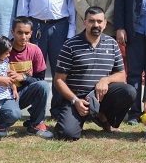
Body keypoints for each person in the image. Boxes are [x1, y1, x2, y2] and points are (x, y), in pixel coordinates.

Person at [51, 7, 136, 140]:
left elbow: (121, 75)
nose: (96, 25)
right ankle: (77, 118)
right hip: (77, 98)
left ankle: (104, 117)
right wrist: (75, 100)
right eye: (91, 21)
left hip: (102, 97)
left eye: (99, 21)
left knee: (129, 91)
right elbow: (58, 80)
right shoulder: (70, 45)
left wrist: (105, 80)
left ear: (105, 23)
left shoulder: (112, 44)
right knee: (67, 134)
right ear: (84, 22)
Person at [0, 16, 53, 139]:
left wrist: (23, 78)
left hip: (21, 94)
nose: (23, 37)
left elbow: (40, 79)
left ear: (31, 34)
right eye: (19, 32)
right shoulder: (0, 48)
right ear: (12, 32)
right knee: (13, 114)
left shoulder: (35, 50)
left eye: (26, 33)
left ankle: (35, 124)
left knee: (43, 86)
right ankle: (0, 123)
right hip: (2, 97)